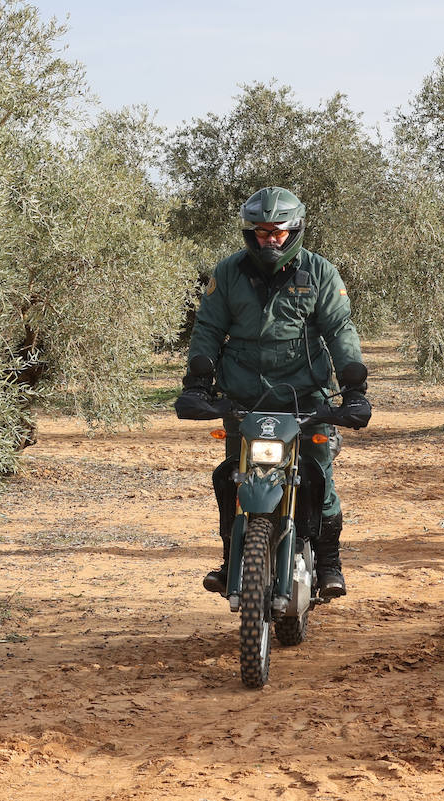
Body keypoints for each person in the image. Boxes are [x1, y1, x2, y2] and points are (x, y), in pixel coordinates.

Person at [174, 187, 370, 599]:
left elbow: (339, 330)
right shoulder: (229, 273)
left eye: (279, 232)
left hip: (307, 397)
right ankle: (233, 558)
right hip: (243, 398)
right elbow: (208, 328)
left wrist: (353, 388)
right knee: (233, 476)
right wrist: (197, 385)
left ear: (294, 230)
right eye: (262, 232)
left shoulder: (319, 272)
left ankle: (330, 561)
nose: (271, 240)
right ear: (250, 232)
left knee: (319, 476)